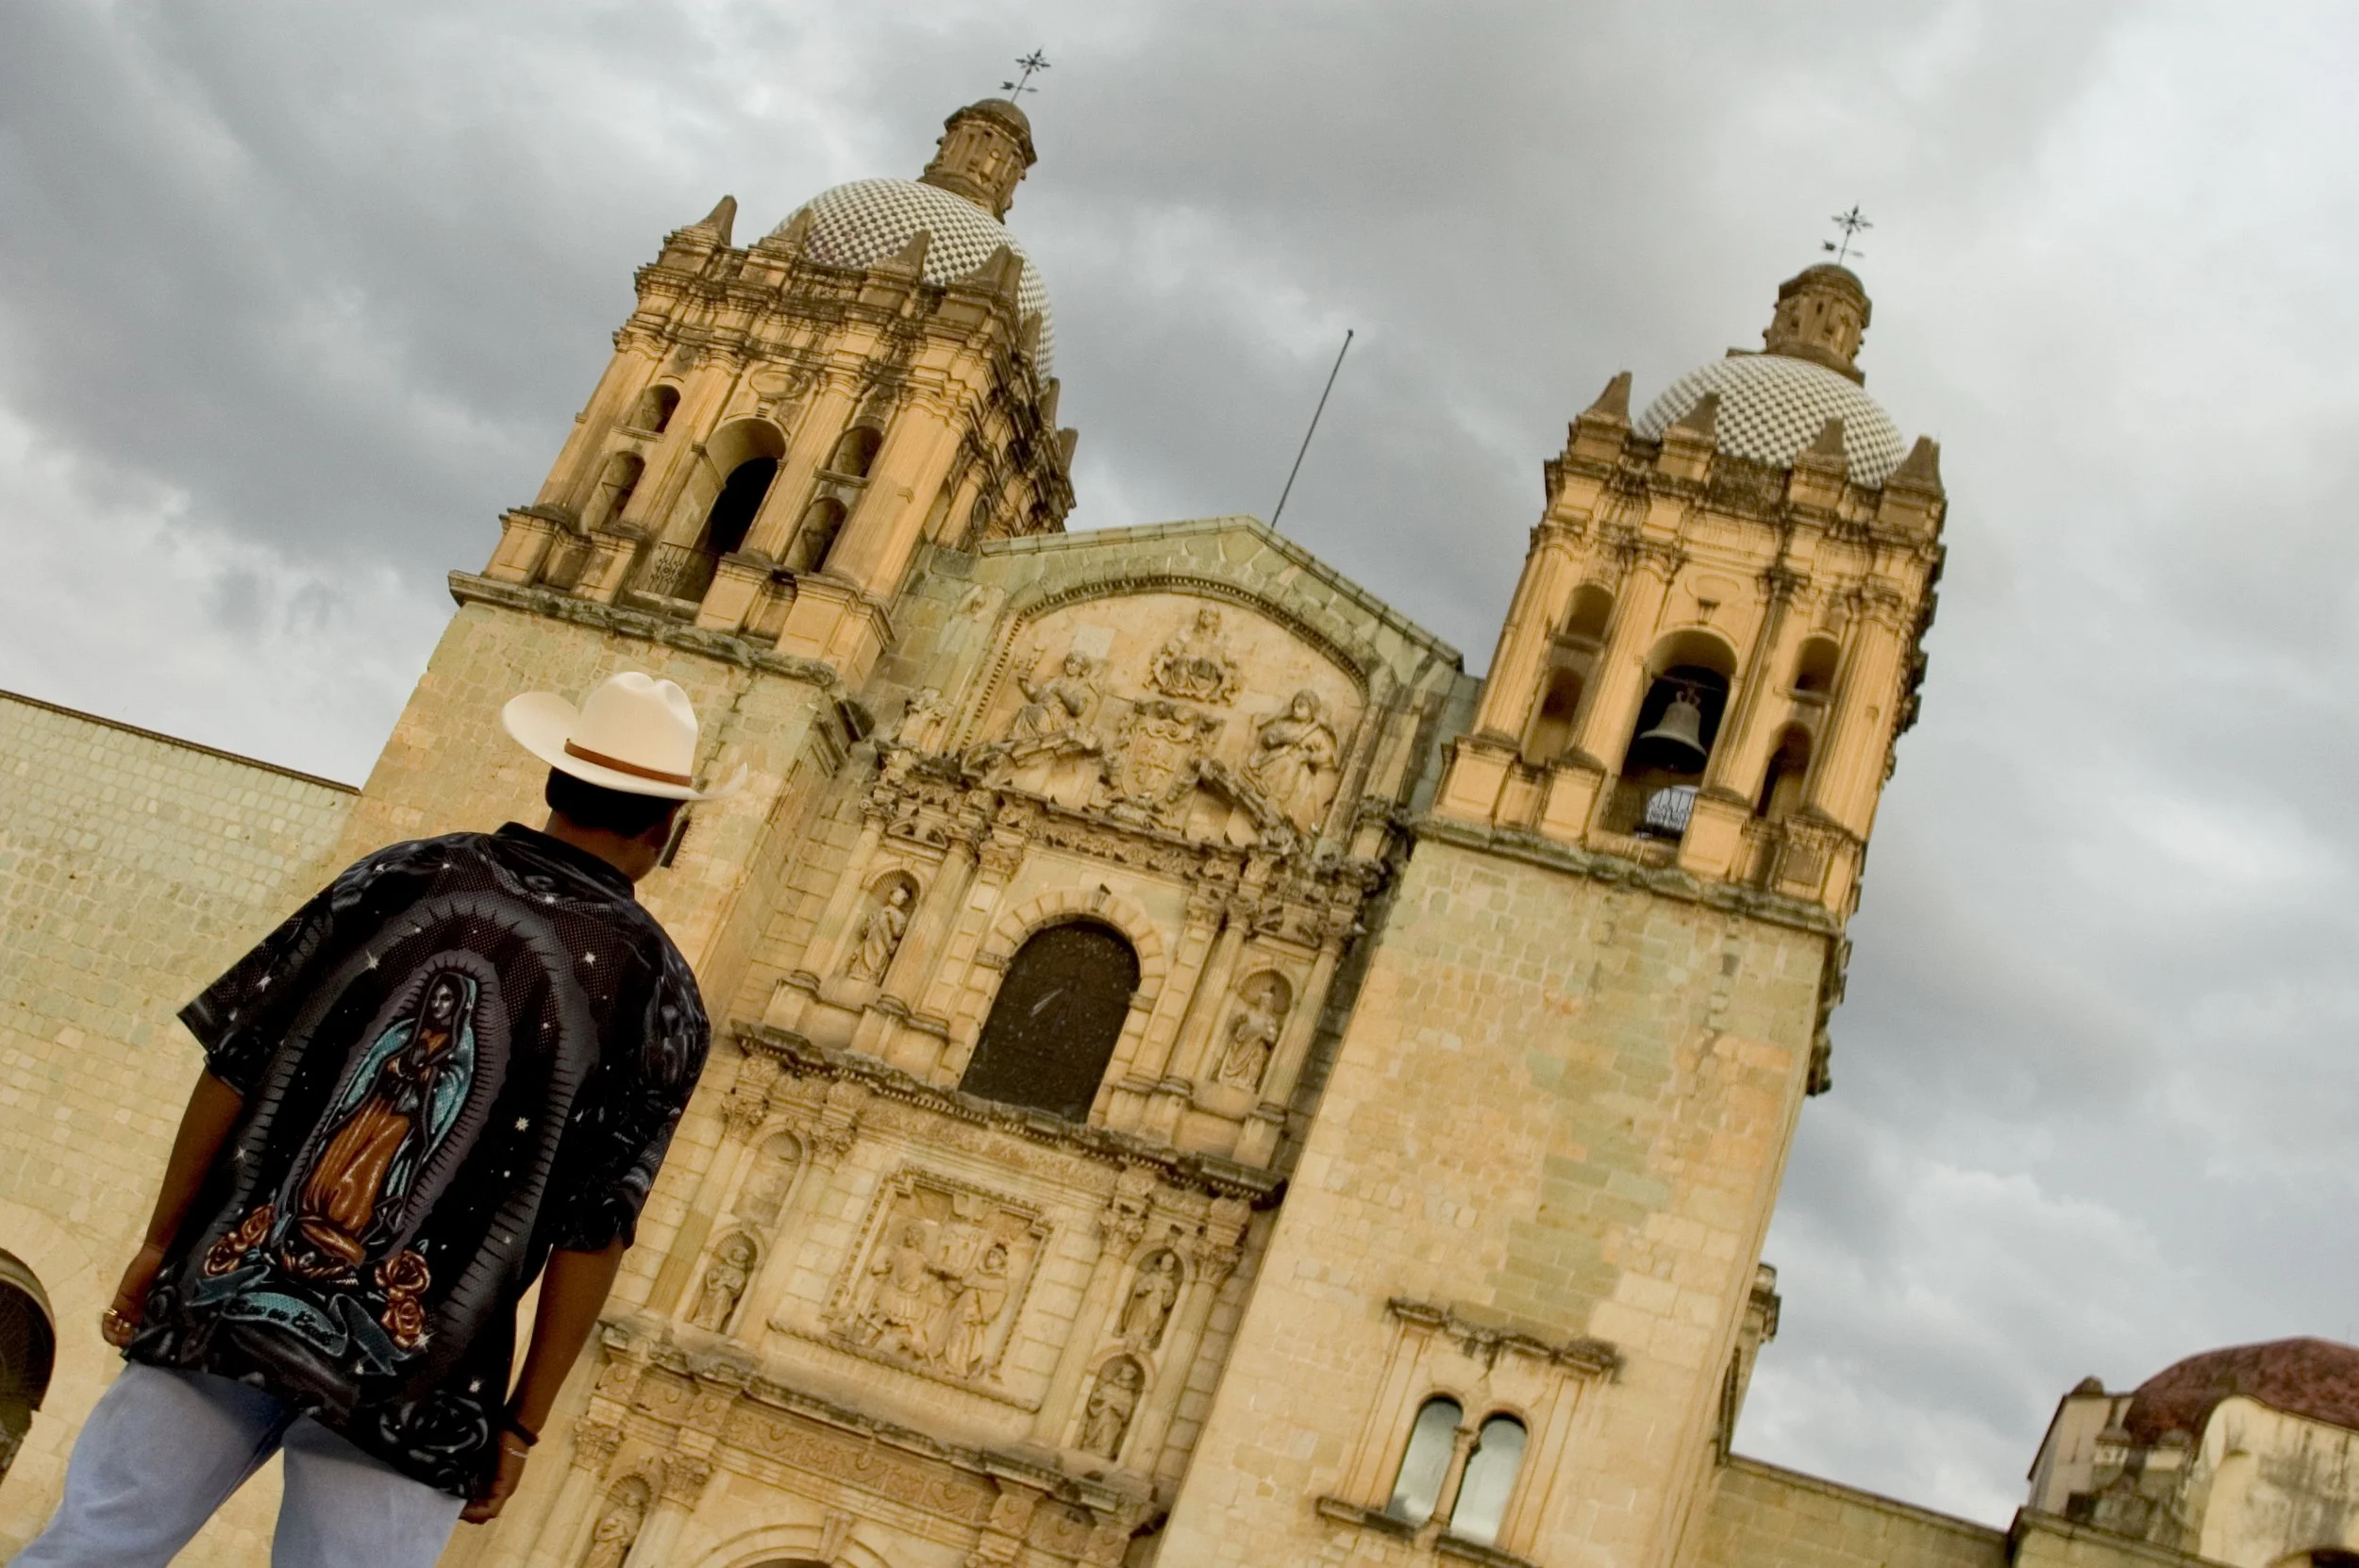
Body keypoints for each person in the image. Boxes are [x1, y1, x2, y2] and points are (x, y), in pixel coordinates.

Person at [11, 670, 742, 1568]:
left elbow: (235, 1062)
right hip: (427, 1376)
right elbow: (597, 1229)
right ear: (664, 829)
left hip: (230, 1294)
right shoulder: (661, 996)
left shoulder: (404, 872)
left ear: (553, 783)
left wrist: (165, 1241)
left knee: (93, 1546)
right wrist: (521, 1424)